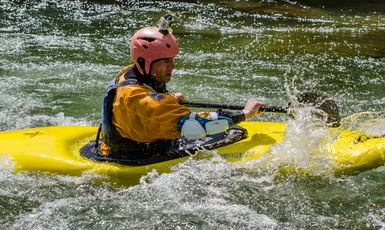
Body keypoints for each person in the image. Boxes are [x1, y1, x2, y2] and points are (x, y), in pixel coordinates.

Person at [99, 20, 266, 158]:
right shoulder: (136, 97)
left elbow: (147, 103)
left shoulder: (129, 73)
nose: (172, 66)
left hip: (119, 144)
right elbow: (195, 127)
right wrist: (245, 113)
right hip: (138, 156)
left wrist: (169, 98)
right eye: (165, 61)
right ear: (145, 62)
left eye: (171, 59)